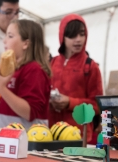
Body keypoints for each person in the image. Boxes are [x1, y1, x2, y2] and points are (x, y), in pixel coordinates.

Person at [0, 19, 51, 136]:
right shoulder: (12, 68)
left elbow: (29, 112)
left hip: (26, 142)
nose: (4, 41)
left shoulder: (34, 69)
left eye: (10, 36)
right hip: (6, 140)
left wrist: (1, 87)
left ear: (25, 44)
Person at [48, 14, 103, 143]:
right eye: (72, 35)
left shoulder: (90, 66)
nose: (78, 40)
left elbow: (97, 105)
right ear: (62, 36)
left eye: (82, 34)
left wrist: (69, 102)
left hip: (78, 135)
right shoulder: (52, 63)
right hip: (52, 132)